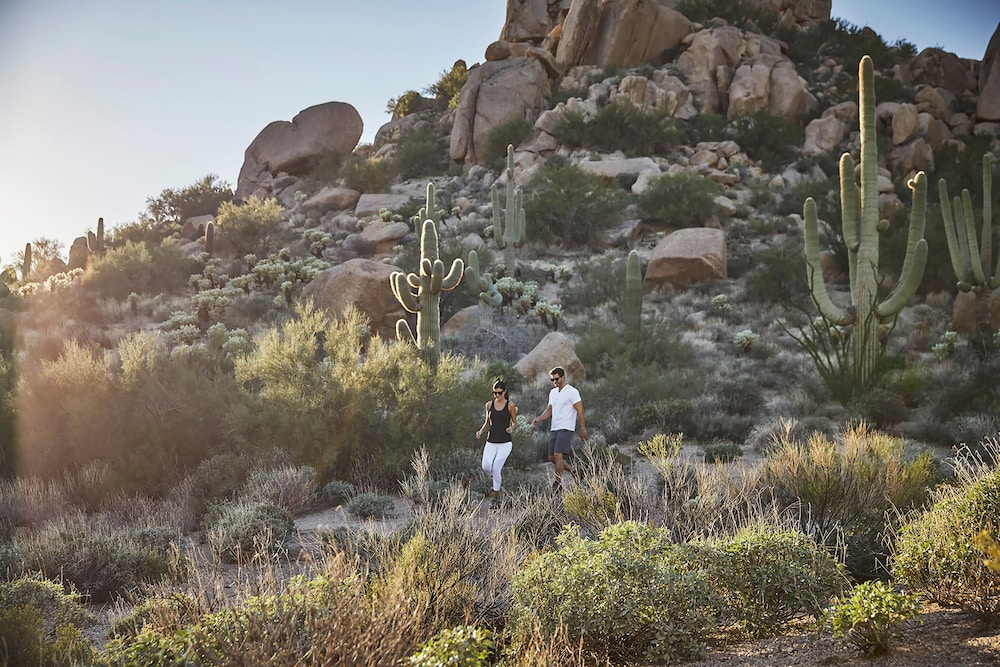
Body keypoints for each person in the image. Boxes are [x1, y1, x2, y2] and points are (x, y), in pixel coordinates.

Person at [531, 366, 587, 489]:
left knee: (558, 455)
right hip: (554, 428)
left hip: (566, 427)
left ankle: (557, 484)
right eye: (552, 380)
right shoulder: (553, 393)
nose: (555, 382)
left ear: (563, 377)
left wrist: (583, 429)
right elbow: (549, 409)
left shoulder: (572, 391)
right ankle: (574, 471)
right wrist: (540, 418)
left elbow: (580, 411)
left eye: (556, 379)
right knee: (551, 457)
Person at [475, 380, 517, 505]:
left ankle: (495, 498)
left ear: (504, 392)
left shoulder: (510, 405)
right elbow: (487, 423)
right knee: (486, 467)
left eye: (499, 393)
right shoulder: (489, 405)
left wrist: (512, 428)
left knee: (496, 468)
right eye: (495, 393)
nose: (497, 395)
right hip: (491, 441)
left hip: (505, 443)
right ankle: (497, 483)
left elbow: (515, 423)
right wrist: (480, 431)